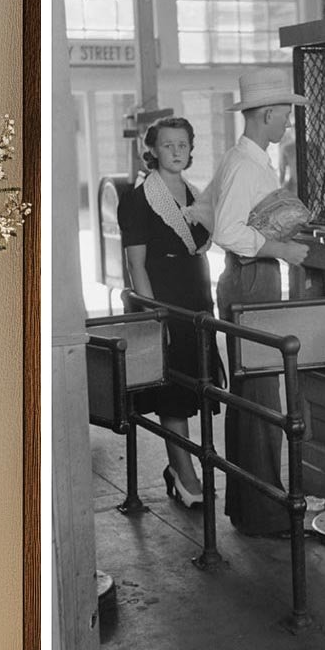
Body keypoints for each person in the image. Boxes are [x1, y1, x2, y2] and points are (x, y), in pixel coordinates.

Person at [199, 69, 310, 537]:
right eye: (283, 116)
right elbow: (225, 231)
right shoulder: (246, 165)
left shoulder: (241, 158)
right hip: (251, 278)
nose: (286, 124)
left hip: (247, 277)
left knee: (252, 396)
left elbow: (211, 210)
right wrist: (280, 248)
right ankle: (264, 513)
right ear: (266, 114)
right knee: (262, 397)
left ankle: (249, 507)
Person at [119, 116, 220, 509]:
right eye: (168, 145)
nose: (176, 152)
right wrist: (153, 316)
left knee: (195, 385)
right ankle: (184, 472)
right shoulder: (139, 199)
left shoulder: (197, 195)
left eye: (183, 145)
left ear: (191, 149)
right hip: (161, 297)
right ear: (153, 151)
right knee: (172, 393)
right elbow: (136, 265)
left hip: (196, 296)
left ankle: (180, 466)